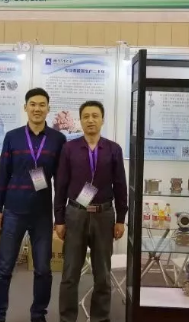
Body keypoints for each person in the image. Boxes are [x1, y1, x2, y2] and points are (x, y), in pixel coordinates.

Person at [0, 88, 67, 322]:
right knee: (4, 268)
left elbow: (60, 181)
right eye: (33, 104)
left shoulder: (58, 139)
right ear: (25, 107)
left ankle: (38, 315)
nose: (37, 109)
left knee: (43, 269)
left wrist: (60, 216)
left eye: (42, 104)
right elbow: (3, 173)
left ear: (48, 108)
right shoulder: (12, 137)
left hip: (42, 214)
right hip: (14, 210)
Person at [54, 100, 128, 322]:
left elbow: (120, 186)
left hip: (104, 215)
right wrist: (59, 219)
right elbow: (61, 185)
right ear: (80, 120)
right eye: (86, 116)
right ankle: (67, 318)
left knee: (103, 274)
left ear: (102, 119)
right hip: (75, 214)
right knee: (70, 273)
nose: (90, 120)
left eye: (95, 116)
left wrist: (121, 218)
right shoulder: (69, 148)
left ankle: (100, 318)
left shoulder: (113, 149)